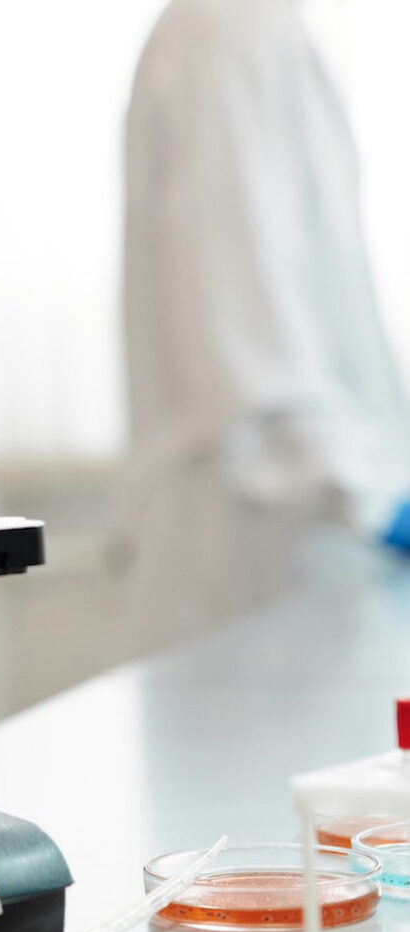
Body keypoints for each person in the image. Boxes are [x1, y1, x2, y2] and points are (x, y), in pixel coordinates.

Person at [119, 0, 410, 646]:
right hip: (254, 541)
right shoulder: (230, 31)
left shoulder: (260, 28)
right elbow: (247, 348)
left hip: (291, 537)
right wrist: (372, 497)